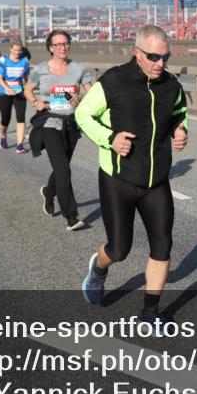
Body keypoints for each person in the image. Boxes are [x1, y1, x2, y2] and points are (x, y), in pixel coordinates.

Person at [76, 25, 187, 325]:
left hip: (156, 181)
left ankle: (150, 312)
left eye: (166, 57)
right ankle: (98, 269)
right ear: (137, 53)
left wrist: (180, 130)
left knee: (163, 245)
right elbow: (83, 114)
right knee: (119, 249)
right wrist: (109, 138)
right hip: (118, 178)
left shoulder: (171, 86)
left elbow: (180, 113)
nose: (160, 63)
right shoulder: (113, 81)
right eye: (153, 57)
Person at [27, 30, 94, 226]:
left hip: (71, 125)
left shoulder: (79, 69)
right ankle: (71, 217)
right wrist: (35, 102)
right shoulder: (40, 70)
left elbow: (92, 93)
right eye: (58, 44)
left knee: (61, 168)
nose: (62, 47)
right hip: (49, 123)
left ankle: (49, 192)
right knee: (64, 169)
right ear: (50, 48)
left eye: (65, 43)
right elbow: (27, 90)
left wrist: (80, 98)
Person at [0, 41, 30, 152]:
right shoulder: (4, 60)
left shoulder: (24, 61)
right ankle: (3, 135)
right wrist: (7, 88)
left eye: (19, 50)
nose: (17, 52)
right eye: (15, 50)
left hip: (19, 92)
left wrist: (29, 89)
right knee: (6, 118)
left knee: (21, 117)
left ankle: (20, 145)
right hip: (4, 92)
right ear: (10, 49)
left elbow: (26, 76)